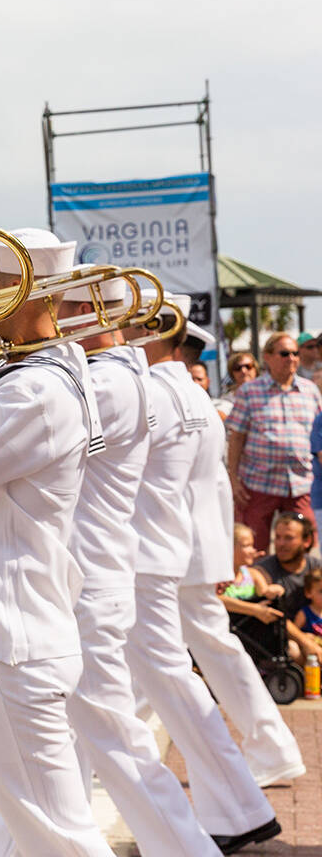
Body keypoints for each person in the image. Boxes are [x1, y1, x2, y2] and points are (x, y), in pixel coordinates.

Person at [0, 274, 221, 857]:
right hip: (81, 579)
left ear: (85, 312)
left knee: (113, 741)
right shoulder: (110, 377)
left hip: (83, 582)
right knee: (31, 748)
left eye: (58, 308)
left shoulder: (105, 384)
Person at [0, 232, 113, 857]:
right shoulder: (31, 374)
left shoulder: (34, 390)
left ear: (22, 293)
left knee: (61, 839)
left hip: (4, 641)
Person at [120, 296, 279, 851]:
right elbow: (207, 487)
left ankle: (238, 805)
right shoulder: (191, 396)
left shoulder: (153, 396)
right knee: (157, 678)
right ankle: (237, 806)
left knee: (169, 675)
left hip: (147, 554)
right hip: (170, 551)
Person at [178, 326, 308, 791]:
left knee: (202, 653)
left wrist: (221, 564)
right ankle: (264, 753)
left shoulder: (185, 404)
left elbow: (212, 488)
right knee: (163, 664)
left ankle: (261, 756)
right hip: (173, 556)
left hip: (175, 558)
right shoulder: (196, 404)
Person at [227, 332, 322, 553]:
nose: (292, 358)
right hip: (259, 483)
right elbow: (237, 437)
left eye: (296, 353)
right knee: (255, 549)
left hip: (300, 483)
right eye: (284, 353)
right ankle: (259, 588)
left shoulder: (310, 390)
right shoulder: (249, 392)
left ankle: (302, 589)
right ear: (267, 357)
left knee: (304, 548)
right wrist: (233, 478)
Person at [252, 512, 322, 667]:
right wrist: (304, 641)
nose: (280, 544)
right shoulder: (263, 571)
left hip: (314, 633)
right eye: (277, 537)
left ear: (307, 541)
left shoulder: (316, 568)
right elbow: (275, 614)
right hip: (282, 639)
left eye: (289, 538)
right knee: (293, 649)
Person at [216, 352, 260, 420]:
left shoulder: (268, 394)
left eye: (248, 366)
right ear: (232, 372)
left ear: (255, 369)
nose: (243, 371)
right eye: (237, 368)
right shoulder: (226, 400)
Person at [293, 569, 322, 638]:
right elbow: (294, 634)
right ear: (308, 593)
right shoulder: (304, 613)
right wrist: (305, 636)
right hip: (310, 646)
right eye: (321, 591)